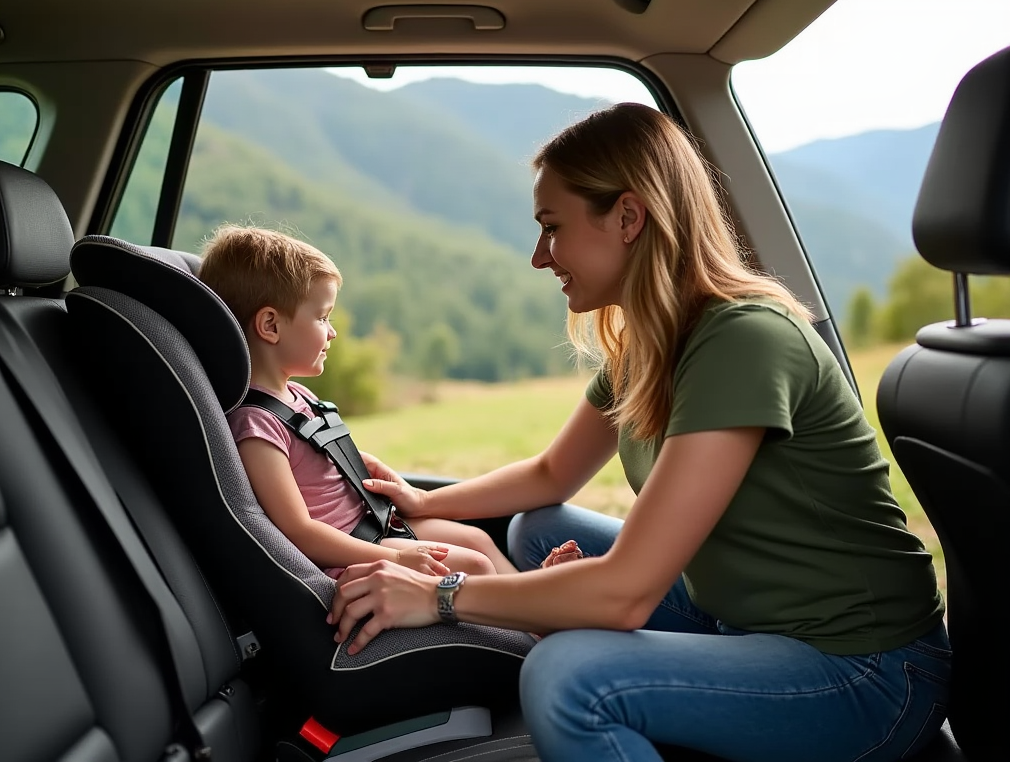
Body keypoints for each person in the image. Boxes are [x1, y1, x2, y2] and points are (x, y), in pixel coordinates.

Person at [326, 103, 950, 762]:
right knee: (536, 530)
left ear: (628, 217)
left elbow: (626, 594)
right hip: (738, 617)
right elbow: (549, 476)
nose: (541, 257)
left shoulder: (743, 339)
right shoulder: (652, 345)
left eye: (552, 228)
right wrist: (425, 503)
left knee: (566, 678)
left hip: (867, 671)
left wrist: (440, 596)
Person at [198, 225, 579, 579]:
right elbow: (299, 531)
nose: (331, 332)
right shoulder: (257, 426)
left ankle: (534, 599)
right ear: (271, 326)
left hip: (378, 525)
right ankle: (535, 619)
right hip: (354, 556)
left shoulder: (299, 397)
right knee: (475, 565)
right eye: (322, 317)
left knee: (477, 541)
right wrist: (397, 557)